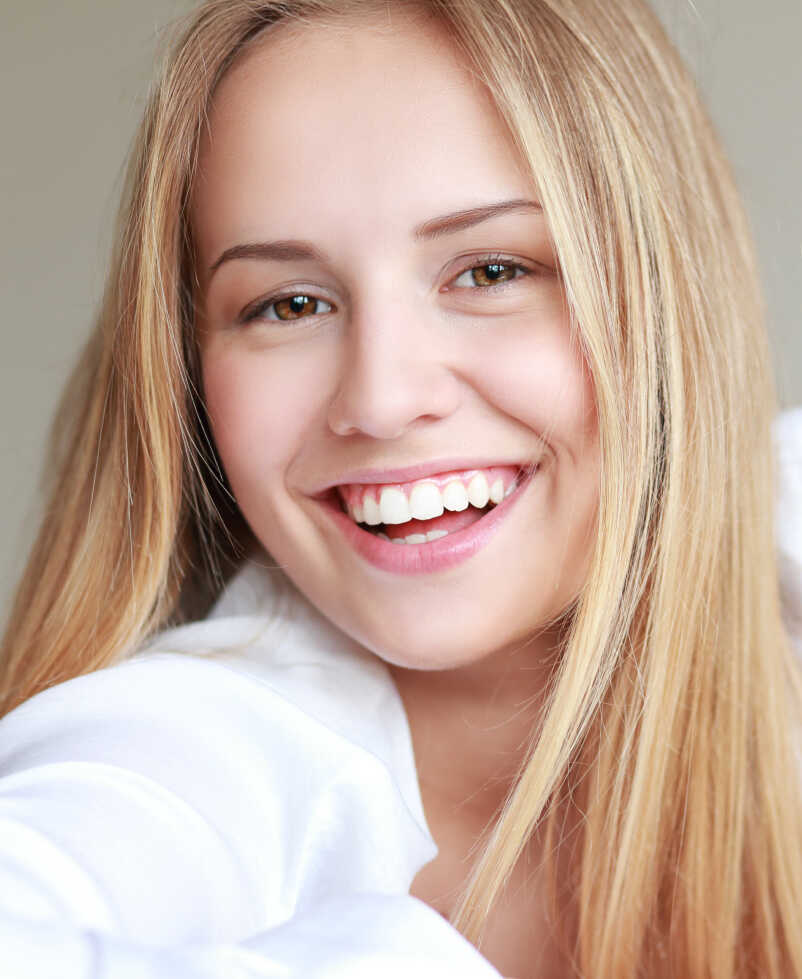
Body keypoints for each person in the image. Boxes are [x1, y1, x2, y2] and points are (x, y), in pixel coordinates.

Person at [1, 0, 800, 976]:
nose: (379, 399)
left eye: (490, 270)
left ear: (665, 294)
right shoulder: (188, 749)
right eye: (288, 304)